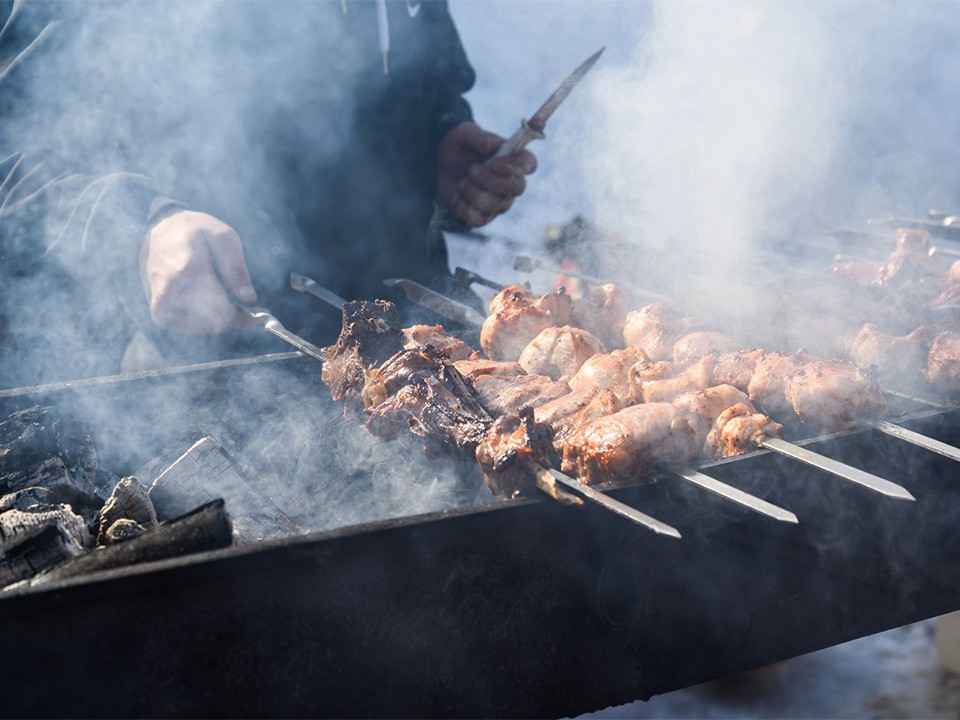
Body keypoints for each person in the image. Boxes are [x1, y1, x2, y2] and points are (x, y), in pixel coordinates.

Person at [0, 0, 536, 381]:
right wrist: (142, 225)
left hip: (426, 351)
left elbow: (429, 84)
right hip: (220, 377)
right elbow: (19, 157)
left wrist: (439, 153)